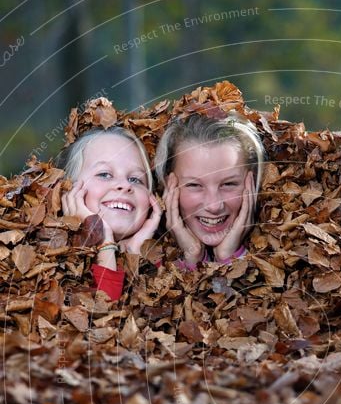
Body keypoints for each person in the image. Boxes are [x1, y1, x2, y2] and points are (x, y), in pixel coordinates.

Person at [58, 126, 162, 301]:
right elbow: (97, 322)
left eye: (135, 179)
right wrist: (103, 240)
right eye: (105, 174)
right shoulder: (47, 264)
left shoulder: (166, 267)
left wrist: (137, 256)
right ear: (69, 189)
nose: (125, 185)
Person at [154, 112, 264, 269]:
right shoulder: (144, 260)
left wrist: (229, 257)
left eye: (229, 184)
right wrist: (193, 259)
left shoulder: (288, 258)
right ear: (168, 185)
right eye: (194, 185)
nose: (214, 206)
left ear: (252, 181)